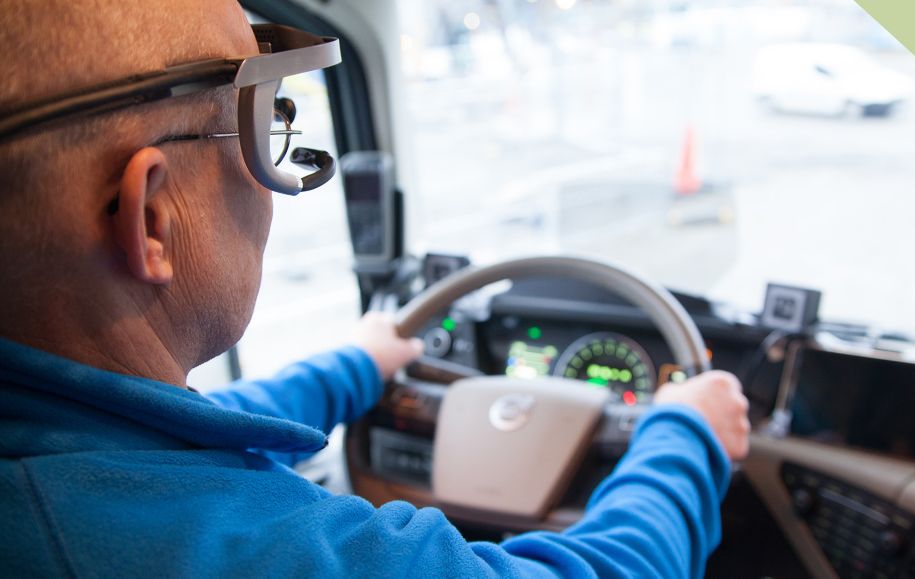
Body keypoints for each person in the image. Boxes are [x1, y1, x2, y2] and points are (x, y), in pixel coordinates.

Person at [0, 0, 751, 577]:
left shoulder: (61, 458)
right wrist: (686, 435)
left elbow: (167, 442)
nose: (274, 189)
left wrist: (354, 363)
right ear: (154, 219)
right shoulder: (227, 550)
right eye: (261, 125)